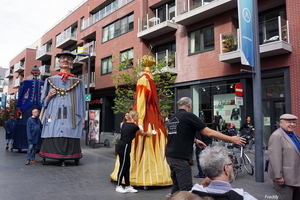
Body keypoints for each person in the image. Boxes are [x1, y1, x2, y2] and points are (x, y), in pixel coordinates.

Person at [110, 55, 172, 187]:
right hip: (154, 118)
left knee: (127, 159)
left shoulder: (143, 80)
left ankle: (128, 181)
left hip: (146, 118)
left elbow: (141, 101)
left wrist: (139, 120)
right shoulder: (151, 80)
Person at [166, 97, 245, 195]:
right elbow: (208, 132)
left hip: (170, 156)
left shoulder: (174, 117)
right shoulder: (188, 116)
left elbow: (178, 134)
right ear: (189, 105)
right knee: (186, 190)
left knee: (177, 187)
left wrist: (195, 140)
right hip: (180, 157)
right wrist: (231, 139)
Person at [39, 50, 86, 166]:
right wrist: (49, 96)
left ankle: (70, 156)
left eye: (69, 58)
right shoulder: (50, 80)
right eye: (63, 58)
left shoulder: (78, 82)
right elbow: (43, 102)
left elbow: (81, 100)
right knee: (53, 126)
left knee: (70, 128)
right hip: (53, 113)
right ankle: (51, 154)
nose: (65, 60)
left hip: (71, 114)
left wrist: (83, 117)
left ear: (72, 62)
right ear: (59, 61)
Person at [191, 146, 257, 200]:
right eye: (231, 164)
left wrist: (203, 184)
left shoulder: (191, 194)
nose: (233, 167)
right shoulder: (242, 196)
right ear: (226, 169)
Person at [115, 110, 151, 193]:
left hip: (122, 146)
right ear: (134, 117)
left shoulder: (124, 124)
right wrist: (147, 134)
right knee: (123, 166)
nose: (138, 118)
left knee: (127, 166)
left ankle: (127, 185)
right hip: (125, 146)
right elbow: (141, 133)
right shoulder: (134, 126)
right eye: (137, 116)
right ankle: (118, 185)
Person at [268, 114, 300, 200]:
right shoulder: (276, 136)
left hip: (295, 175)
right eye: (289, 122)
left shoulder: (292, 133)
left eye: (294, 122)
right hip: (285, 177)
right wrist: (278, 176)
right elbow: (275, 157)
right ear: (281, 123)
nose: (292, 124)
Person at [14, 65, 44, 151]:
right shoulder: (25, 83)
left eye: (37, 71)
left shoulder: (44, 83)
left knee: (38, 126)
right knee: (22, 124)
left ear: (39, 73)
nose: (35, 72)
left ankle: (38, 146)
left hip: (39, 106)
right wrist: (18, 108)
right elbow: (20, 96)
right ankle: (20, 145)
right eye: (34, 70)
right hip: (25, 107)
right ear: (31, 72)